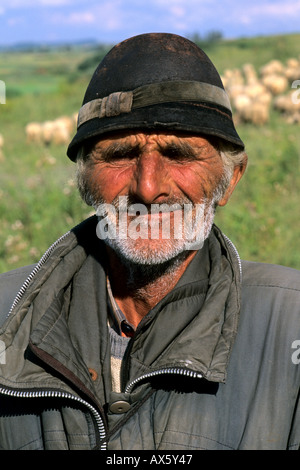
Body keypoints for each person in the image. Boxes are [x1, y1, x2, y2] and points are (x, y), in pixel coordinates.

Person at [0, 32, 299, 451]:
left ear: (229, 180)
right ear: (84, 179)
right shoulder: (8, 318)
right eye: (120, 154)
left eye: (179, 154)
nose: (148, 187)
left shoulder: (290, 325)